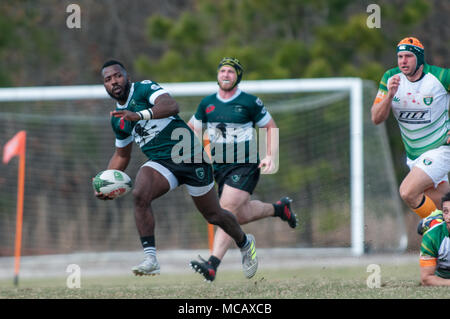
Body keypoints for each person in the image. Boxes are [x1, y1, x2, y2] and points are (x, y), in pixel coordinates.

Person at [96, 60, 258, 278]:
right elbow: (121, 155)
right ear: (105, 86)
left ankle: (245, 243)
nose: (114, 82)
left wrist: (140, 115)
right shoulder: (118, 120)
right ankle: (151, 258)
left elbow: (171, 106)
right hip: (162, 164)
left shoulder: (144, 89)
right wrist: (105, 182)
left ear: (127, 77)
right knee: (140, 194)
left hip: (190, 156)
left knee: (214, 214)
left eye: (117, 76)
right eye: (108, 79)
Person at [187, 57, 298, 282]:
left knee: (225, 210)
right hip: (219, 168)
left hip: (245, 164)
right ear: (217, 75)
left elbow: (270, 127)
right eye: (222, 71)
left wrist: (269, 156)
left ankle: (212, 264)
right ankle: (280, 210)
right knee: (240, 214)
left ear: (237, 77)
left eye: (230, 71)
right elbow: (191, 129)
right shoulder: (207, 103)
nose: (226, 74)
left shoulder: (249, 102)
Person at [371, 37, 450, 234]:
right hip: (414, 158)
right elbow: (376, 117)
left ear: (420, 59)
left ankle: (438, 231)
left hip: (440, 150)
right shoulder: (390, 78)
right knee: (442, 201)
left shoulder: (440, 77)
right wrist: (389, 95)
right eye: (400, 56)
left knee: (408, 192)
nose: (403, 61)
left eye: (408, 56)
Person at [419, 192, 450, 286]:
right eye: (445, 211)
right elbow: (426, 279)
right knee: (432, 226)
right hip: (442, 276)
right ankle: (431, 221)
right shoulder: (431, 237)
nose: (449, 217)